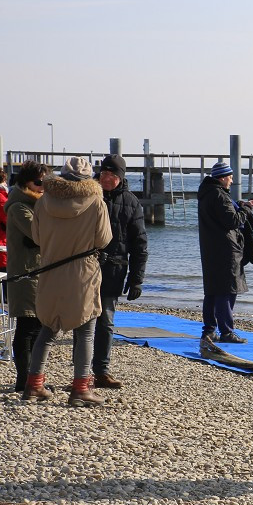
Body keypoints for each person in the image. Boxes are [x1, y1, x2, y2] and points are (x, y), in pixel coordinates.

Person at [23, 156, 111, 406]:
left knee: (47, 329)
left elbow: (37, 237)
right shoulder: (96, 202)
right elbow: (104, 239)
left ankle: (34, 385)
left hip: (51, 269)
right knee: (85, 331)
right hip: (82, 272)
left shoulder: (44, 201)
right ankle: (81, 389)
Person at [91, 154, 147, 388]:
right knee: (82, 323)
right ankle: (81, 374)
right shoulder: (89, 196)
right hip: (86, 267)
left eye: (112, 175)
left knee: (105, 322)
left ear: (121, 177)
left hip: (114, 270)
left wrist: (136, 280)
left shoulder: (131, 202)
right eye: (103, 174)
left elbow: (140, 244)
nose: (106, 178)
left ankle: (101, 372)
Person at [197, 161, 253, 344]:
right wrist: (247, 208)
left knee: (212, 290)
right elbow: (232, 220)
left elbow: (222, 213)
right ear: (222, 178)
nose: (232, 181)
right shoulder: (219, 195)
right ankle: (226, 332)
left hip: (210, 248)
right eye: (230, 177)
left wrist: (239, 204)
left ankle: (209, 331)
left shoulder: (207, 193)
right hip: (225, 249)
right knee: (227, 290)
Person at [4, 161, 48, 392]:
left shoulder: (35, 204)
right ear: (26, 182)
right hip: (25, 274)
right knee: (28, 326)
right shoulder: (19, 207)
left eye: (45, 183)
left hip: (37, 273)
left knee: (38, 327)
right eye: (39, 183)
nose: (43, 187)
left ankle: (32, 378)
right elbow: (38, 234)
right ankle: (25, 379)